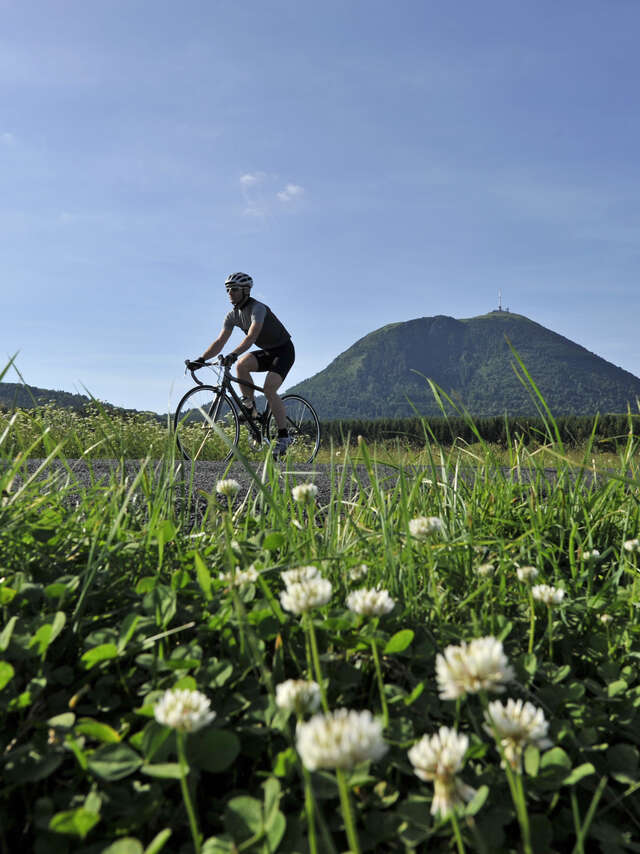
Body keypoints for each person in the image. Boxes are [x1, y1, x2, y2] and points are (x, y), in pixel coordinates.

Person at [187, 272, 295, 457]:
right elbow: (220, 341)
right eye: (228, 289)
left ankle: (284, 436)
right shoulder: (232, 316)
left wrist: (234, 354)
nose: (230, 293)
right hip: (267, 351)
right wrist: (201, 359)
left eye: (234, 289)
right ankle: (251, 408)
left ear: (245, 290)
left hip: (283, 351)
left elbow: (252, 336)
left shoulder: (257, 308)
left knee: (269, 388)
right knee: (241, 366)